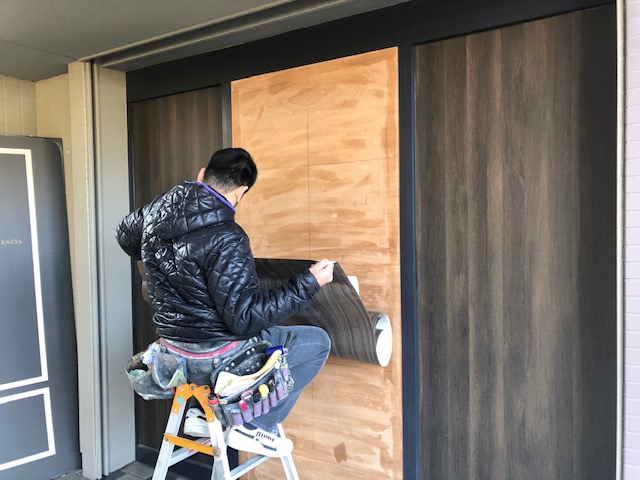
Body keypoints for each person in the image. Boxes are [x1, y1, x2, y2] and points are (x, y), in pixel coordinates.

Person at [115, 147, 334, 457]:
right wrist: (309, 283)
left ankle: (203, 415)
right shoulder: (228, 237)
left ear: (202, 174)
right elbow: (245, 320)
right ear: (241, 192)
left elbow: (125, 235)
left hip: (173, 354)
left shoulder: (157, 211)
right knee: (317, 342)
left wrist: (162, 227)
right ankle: (255, 425)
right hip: (213, 361)